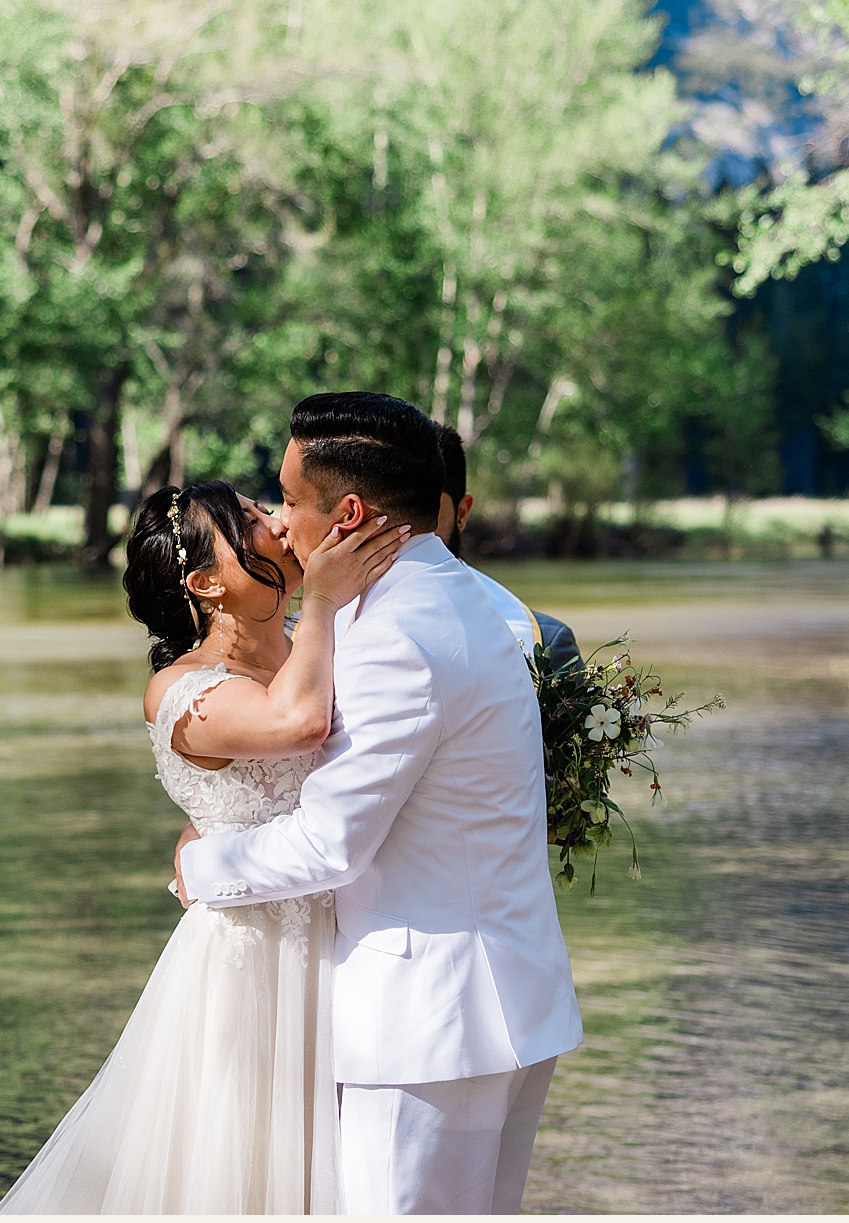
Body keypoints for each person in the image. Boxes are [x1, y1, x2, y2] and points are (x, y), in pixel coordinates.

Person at [176, 392, 582, 1215]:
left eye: (290, 500)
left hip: (429, 1031)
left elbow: (331, 844)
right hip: (505, 1007)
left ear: (349, 512)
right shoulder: (471, 599)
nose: (282, 525)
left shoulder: (393, 633)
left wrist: (199, 863)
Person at [0, 484, 405, 1213]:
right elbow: (301, 722)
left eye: (263, 505)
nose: (275, 521)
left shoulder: (346, 640)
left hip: (355, 943)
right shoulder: (181, 692)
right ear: (207, 582)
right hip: (253, 961)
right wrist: (320, 603)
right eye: (247, 521)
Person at [432, 419, 581, 672]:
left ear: (462, 513)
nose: (407, 533)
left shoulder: (544, 643)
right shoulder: (344, 618)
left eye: (426, 512)